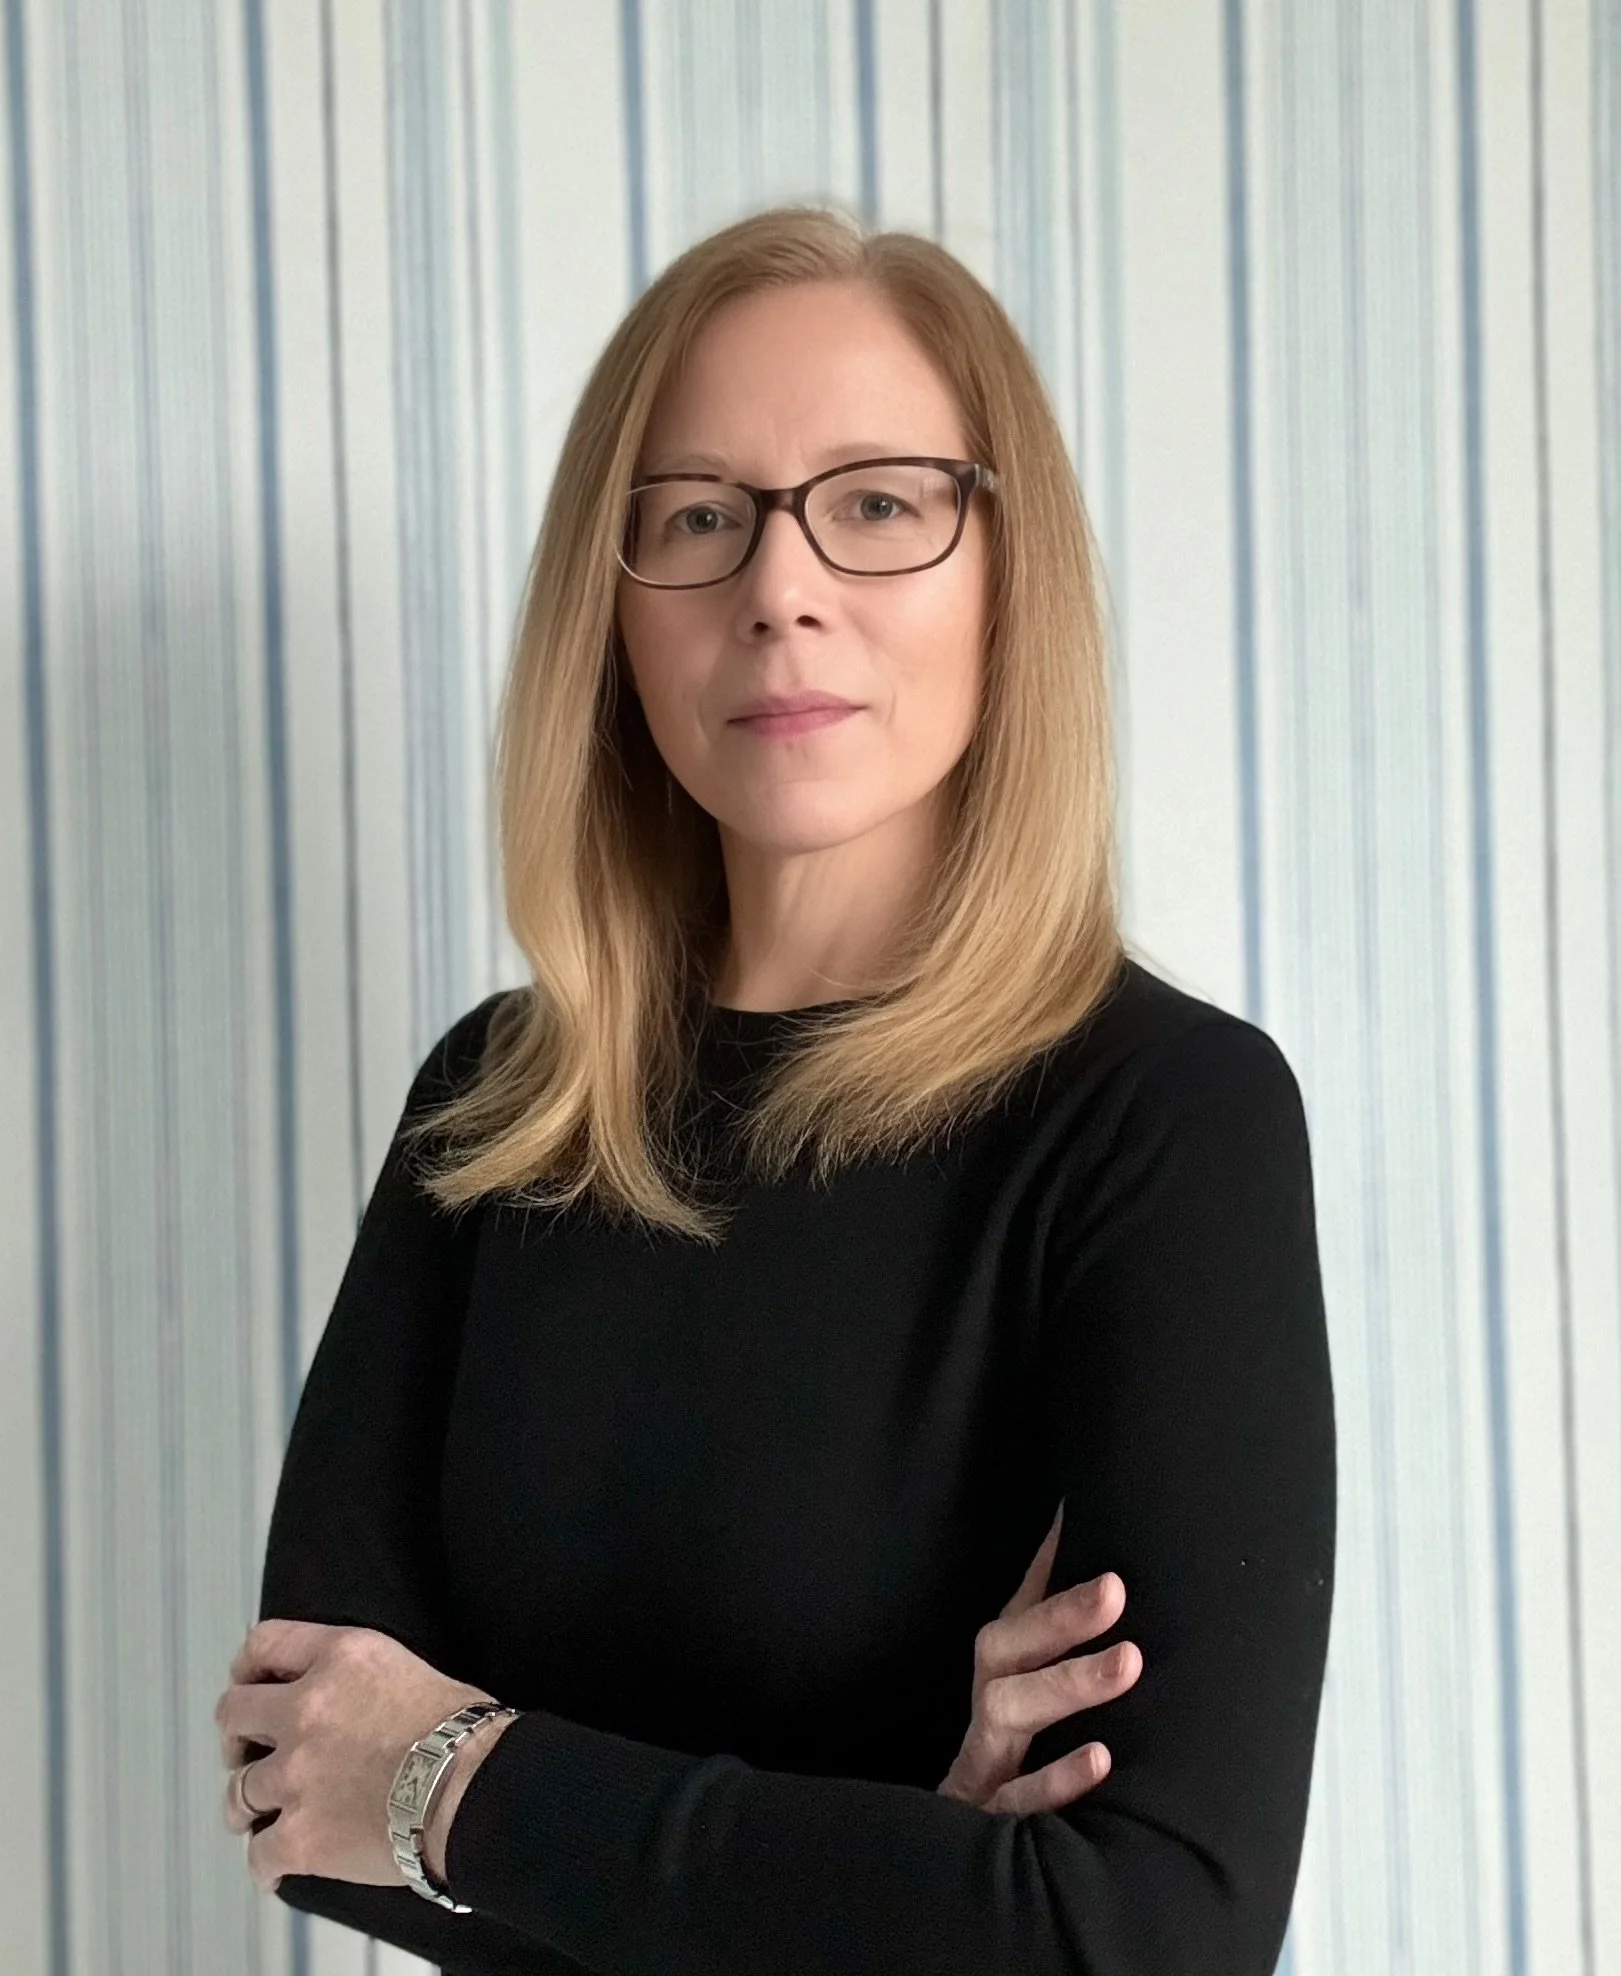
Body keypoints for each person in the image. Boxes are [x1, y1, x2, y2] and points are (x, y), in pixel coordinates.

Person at [213, 204, 1335, 1976]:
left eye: (878, 505)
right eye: (696, 517)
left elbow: (1148, 1938)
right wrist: (904, 1864)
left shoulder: (1166, 1121)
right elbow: (299, 1790)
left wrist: (448, 1781)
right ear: (612, 607)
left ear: (1008, 575)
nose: (779, 587)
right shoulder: (496, 1109)